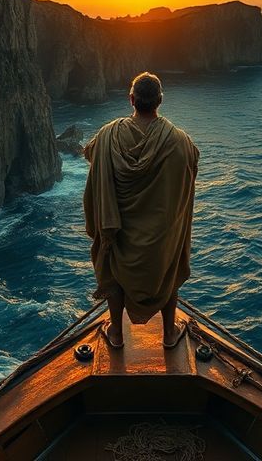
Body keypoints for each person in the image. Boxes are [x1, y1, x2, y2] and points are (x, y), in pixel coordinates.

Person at [83, 72, 199, 349]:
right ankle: (169, 334)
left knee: (113, 267)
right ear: (159, 101)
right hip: (160, 236)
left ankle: (117, 334)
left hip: (119, 227)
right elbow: (193, 160)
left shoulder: (109, 135)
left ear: (131, 99)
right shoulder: (178, 140)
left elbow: (90, 153)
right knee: (170, 265)